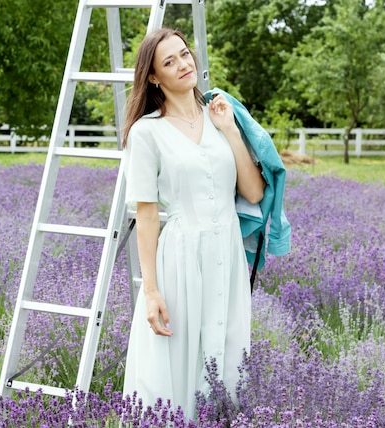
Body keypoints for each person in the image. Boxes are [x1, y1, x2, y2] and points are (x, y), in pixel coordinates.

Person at [121, 28, 266, 420]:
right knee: (179, 356)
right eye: (169, 62)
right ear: (154, 77)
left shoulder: (219, 115)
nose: (184, 65)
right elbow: (147, 215)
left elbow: (252, 193)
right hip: (182, 256)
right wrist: (150, 291)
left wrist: (231, 130)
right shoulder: (146, 132)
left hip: (228, 252)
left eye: (185, 54)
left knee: (228, 351)